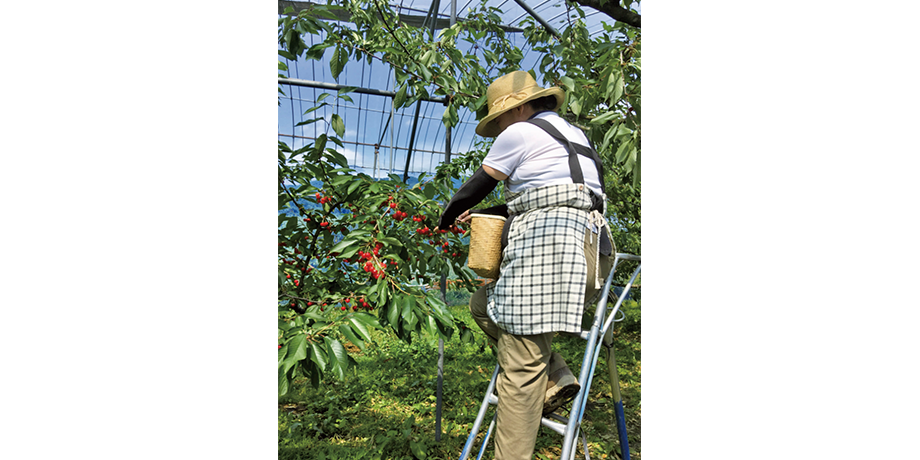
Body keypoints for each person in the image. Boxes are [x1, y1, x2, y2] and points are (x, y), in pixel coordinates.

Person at [437, 70, 613, 460]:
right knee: (483, 303)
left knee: (519, 374)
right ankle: (557, 377)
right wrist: (483, 211)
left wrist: (446, 216)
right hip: (590, 255)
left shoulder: (517, 134)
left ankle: (536, 391)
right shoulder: (575, 138)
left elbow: (478, 183)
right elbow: (551, 194)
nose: (498, 128)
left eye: (496, 119)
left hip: (549, 251)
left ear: (515, 109)